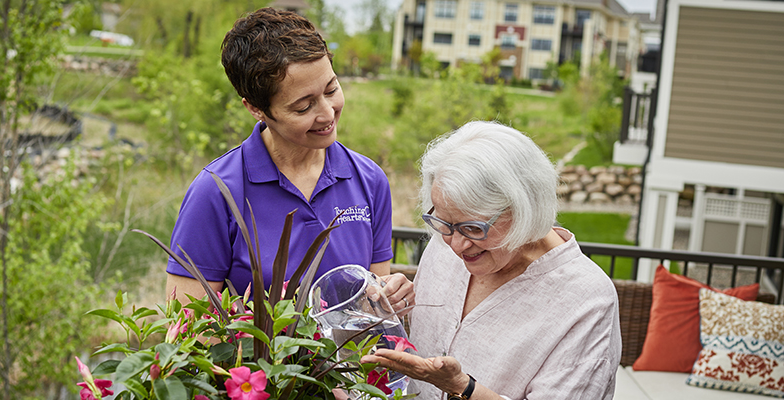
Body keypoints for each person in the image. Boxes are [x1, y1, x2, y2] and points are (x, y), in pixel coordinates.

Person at [165, 7, 412, 309]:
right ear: (256, 109)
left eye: (331, 89)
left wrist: (390, 300)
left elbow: (372, 309)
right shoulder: (217, 192)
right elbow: (188, 326)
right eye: (303, 107)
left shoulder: (370, 181)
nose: (327, 113)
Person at [362, 121, 621, 400]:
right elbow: (424, 343)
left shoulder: (587, 300)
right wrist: (393, 308)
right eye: (444, 222)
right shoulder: (447, 239)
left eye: (474, 228)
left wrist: (464, 388)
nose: (457, 245)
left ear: (525, 208)